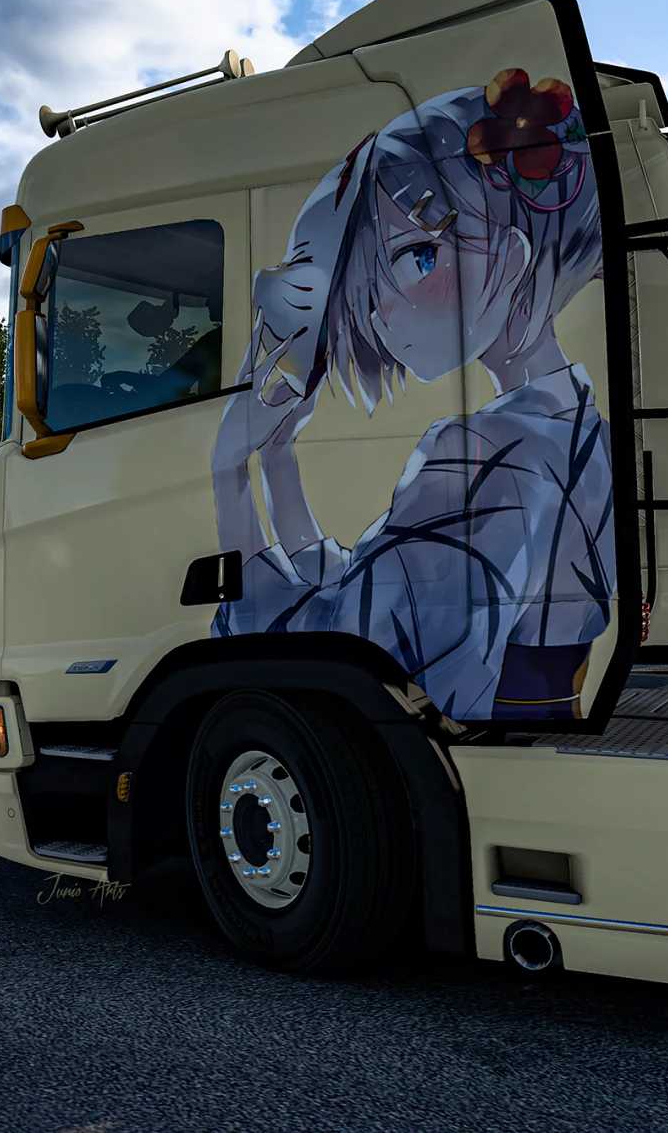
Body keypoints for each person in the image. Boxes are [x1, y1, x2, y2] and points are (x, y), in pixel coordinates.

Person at [209, 69, 615, 721]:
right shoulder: (576, 427)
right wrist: (279, 463)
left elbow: (342, 642)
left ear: (511, 261)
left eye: (416, 257)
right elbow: (369, 582)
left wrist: (229, 475)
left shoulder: (490, 452)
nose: (379, 310)